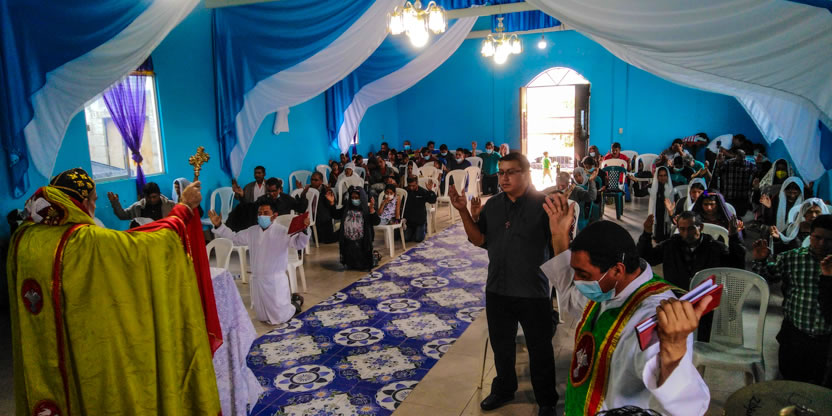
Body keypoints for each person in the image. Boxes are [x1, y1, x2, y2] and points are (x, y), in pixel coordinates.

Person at [9, 168, 221, 414]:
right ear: (83, 202)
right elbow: (144, 248)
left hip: (42, 349)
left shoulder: (23, 238)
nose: (94, 206)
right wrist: (184, 208)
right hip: (82, 351)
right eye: (94, 200)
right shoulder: (82, 241)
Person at [540, 194, 711, 415]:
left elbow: (687, 408)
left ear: (617, 270)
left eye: (583, 275)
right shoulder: (609, 290)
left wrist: (674, 351)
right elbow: (571, 297)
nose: (578, 281)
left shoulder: (653, 315)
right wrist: (559, 236)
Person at [449, 152, 558, 415]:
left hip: (533, 291)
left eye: (511, 172)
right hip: (498, 289)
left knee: (540, 349)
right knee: (501, 346)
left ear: (526, 174)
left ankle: (546, 400)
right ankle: (504, 388)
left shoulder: (544, 206)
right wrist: (463, 211)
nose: (504, 178)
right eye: (501, 172)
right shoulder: (494, 205)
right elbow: (479, 239)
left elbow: (559, 248)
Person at [752, 214, 832, 385]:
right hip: (795, 333)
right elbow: (766, 279)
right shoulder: (792, 258)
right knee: (791, 379)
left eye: (828, 240)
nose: (822, 244)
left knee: (820, 386)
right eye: (817, 238)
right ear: (809, 235)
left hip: (826, 340)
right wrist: (761, 260)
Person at [209, 196, 308, 324]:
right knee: (262, 317)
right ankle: (291, 300)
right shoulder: (252, 231)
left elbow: (299, 244)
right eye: (260, 213)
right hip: (257, 280)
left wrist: (304, 230)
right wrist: (219, 225)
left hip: (275, 281)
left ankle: (294, 305)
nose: (262, 216)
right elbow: (234, 238)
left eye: (266, 213)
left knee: (280, 318)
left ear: (274, 216)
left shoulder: (282, 231)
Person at [639, 211, 745, 291]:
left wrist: (734, 237)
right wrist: (646, 234)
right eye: (682, 229)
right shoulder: (670, 246)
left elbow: (736, 265)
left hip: (705, 298)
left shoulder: (714, 248)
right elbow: (647, 259)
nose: (686, 233)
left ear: (701, 227)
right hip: (676, 297)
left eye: (691, 229)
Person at [339, 186, 379, 269]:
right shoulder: (347, 208)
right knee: (351, 265)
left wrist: (372, 209)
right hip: (348, 242)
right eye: (352, 197)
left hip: (362, 243)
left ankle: (374, 256)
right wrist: (332, 204)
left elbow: (376, 221)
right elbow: (336, 214)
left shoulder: (366, 209)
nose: (354, 199)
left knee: (362, 266)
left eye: (357, 198)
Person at [107, 182, 177, 227]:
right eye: (148, 197)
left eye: (154, 197)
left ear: (159, 194)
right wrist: (115, 202)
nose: (152, 200)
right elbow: (122, 215)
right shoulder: (138, 207)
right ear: (144, 196)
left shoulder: (171, 205)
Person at [716, 149, 756, 216]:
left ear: (744, 156)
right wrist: (719, 164)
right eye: (739, 155)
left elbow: (757, 174)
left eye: (742, 156)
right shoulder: (727, 163)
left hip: (742, 197)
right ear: (735, 155)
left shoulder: (749, 165)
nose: (741, 158)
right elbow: (717, 174)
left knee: (741, 215)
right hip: (729, 196)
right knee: (729, 215)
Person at [403, 176, 437, 242]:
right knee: (406, 238)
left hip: (420, 221)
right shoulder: (405, 191)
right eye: (409, 186)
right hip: (409, 221)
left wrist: (430, 191)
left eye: (413, 186)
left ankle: (423, 228)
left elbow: (432, 201)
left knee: (418, 239)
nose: (411, 188)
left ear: (417, 183)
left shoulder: (422, 191)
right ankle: (413, 231)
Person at [648, 167, 674, 243]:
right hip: (657, 215)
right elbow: (639, 193)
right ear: (657, 176)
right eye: (660, 176)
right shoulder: (653, 187)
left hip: (667, 215)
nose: (663, 178)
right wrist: (636, 182)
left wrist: (705, 193)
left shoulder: (671, 187)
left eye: (665, 175)